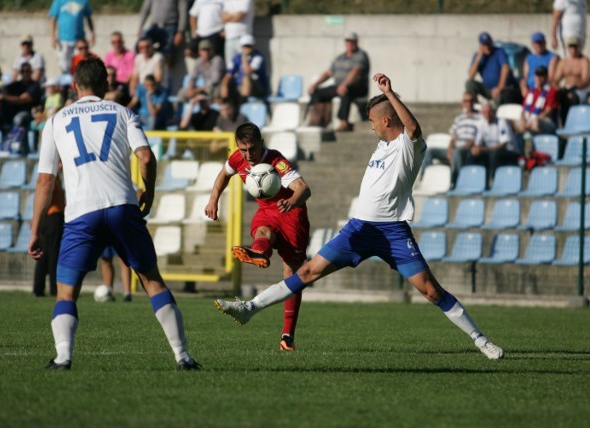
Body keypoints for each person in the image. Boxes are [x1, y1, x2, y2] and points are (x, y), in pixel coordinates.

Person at [214, 73, 505, 361]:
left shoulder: (408, 147)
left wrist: (391, 94)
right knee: (306, 272)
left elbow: (413, 128)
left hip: (392, 232)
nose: (371, 127)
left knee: (431, 291)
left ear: (387, 120)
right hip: (358, 229)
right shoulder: (381, 146)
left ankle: (481, 339)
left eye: (373, 121)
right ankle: (249, 308)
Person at [28, 57, 199, 370]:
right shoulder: (123, 112)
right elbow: (145, 157)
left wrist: (35, 229)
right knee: (152, 282)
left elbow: (45, 180)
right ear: (106, 85)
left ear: (74, 86)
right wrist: (148, 191)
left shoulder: (55, 121)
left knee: (66, 292)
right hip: (122, 206)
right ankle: (183, 357)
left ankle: (63, 357)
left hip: (81, 213)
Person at [206, 122, 311, 351]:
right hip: (267, 211)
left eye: (252, 149)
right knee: (263, 232)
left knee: (291, 276)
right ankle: (259, 252)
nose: (248, 155)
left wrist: (291, 201)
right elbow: (223, 175)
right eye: (243, 150)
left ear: (261, 144)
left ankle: (287, 336)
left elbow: (304, 189)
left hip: (292, 214)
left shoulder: (276, 161)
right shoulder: (238, 159)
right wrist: (213, 199)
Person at [307, 32, 370, 132]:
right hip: (338, 86)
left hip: (357, 87)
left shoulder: (361, 55)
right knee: (318, 93)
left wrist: (344, 84)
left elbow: (355, 72)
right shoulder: (340, 57)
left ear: (356, 42)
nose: (350, 43)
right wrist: (315, 84)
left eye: (352, 41)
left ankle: (343, 122)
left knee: (345, 91)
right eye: (348, 41)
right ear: (345, 42)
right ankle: (318, 121)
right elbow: (328, 73)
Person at [469, 103, 520, 185]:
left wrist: (484, 149)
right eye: (485, 112)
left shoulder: (501, 122)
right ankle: (475, 182)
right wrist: (476, 149)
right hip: (491, 151)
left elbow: (503, 145)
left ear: (494, 112)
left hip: (509, 151)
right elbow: (477, 142)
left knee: (493, 155)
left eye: (490, 112)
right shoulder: (481, 123)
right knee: (472, 155)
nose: (488, 115)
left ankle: (493, 181)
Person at [466, 32, 521, 105]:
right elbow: (470, 76)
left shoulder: (499, 51)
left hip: (502, 88)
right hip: (488, 89)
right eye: (484, 45)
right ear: (480, 45)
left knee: (503, 95)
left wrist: (500, 87)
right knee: (469, 83)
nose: (487, 47)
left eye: (488, 44)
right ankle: (474, 106)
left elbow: (505, 68)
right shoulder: (477, 56)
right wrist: (478, 58)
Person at [33, 174, 65, 297]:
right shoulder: (52, 178)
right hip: (54, 217)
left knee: (44, 255)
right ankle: (54, 289)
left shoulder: (50, 177)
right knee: (54, 255)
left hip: (46, 218)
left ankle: (38, 288)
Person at [446, 91, 483, 187]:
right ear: (462, 103)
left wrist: (468, 144)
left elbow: (479, 136)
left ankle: (459, 182)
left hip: (468, 148)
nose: (469, 103)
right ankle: (419, 181)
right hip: (456, 148)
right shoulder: (459, 119)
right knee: (429, 152)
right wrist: (450, 148)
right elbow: (453, 137)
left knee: (457, 153)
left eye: (471, 100)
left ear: (474, 102)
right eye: (466, 101)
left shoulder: (480, 117)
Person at [49, 0, 95, 75]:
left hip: (79, 40)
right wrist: (53, 37)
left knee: (79, 64)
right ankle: (66, 84)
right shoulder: (58, 1)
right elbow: (53, 19)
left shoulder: (83, 1)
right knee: (64, 65)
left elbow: (88, 17)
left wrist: (92, 33)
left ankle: (79, 81)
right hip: (63, 40)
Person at [0, 62, 42, 131]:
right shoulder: (16, 85)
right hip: (14, 111)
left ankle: (15, 140)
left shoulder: (35, 85)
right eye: (22, 71)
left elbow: (22, 100)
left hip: (29, 113)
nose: (25, 73)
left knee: (18, 118)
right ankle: (2, 136)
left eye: (27, 71)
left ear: (31, 72)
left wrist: (4, 97)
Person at [220, 35, 269, 103]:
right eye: (244, 46)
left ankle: (243, 102)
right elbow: (229, 73)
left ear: (253, 46)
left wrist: (244, 58)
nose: (246, 48)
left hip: (257, 86)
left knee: (246, 78)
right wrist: (225, 82)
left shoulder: (258, 57)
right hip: (240, 85)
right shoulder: (237, 57)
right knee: (225, 80)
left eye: (248, 46)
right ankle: (225, 102)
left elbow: (248, 71)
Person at [137, 0, 187, 65]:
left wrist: (180, 31)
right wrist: (140, 27)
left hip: (170, 26)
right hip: (154, 26)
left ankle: (165, 72)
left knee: (167, 51)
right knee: (140, 45)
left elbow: (183, 11)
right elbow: (145, 9)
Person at [553, 36, 590, 122]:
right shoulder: (563, 62)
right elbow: (556, 79)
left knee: (571, 97)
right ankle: (562, 122)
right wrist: (557, 86)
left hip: (580, 89)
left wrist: (575, 86)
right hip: (566, 89)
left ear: (579, 47)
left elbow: (586, 80)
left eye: (575, 46)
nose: (573, 49)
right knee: (556, 96)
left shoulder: (584, 61)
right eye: (571, 46)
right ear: (568, 48)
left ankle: (573, 122)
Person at [517, 66, 559, 136]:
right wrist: (523, 120)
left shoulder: (551, 91)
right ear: (534, 77)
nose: (539, 79)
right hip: (529, 118)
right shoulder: (531, 91)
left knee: (536, 122)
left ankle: (536, 143)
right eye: (537, 76)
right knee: (511, 122)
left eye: (542, 76)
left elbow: (548, 112)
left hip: (545, 120)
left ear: (546, 77)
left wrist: (532, 121)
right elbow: (523, 110)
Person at [520, 32, 559, 97]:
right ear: (533, 44)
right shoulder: (529, 58)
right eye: (536, 43)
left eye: (540, 43)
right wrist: (523, 88)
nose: (538, 45)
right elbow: (524, 77)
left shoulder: (552, 57)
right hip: (530, 89)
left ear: (545, 43)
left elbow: (551, 77)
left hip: (544, 89)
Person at [222, 0, 254, 65]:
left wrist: (229, 16)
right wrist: (234, 15)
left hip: (243, 38)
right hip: (229, 38)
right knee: (230, 65)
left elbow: (239, 17)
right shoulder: (228, 1)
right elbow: (223, 17)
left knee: (244, 65)